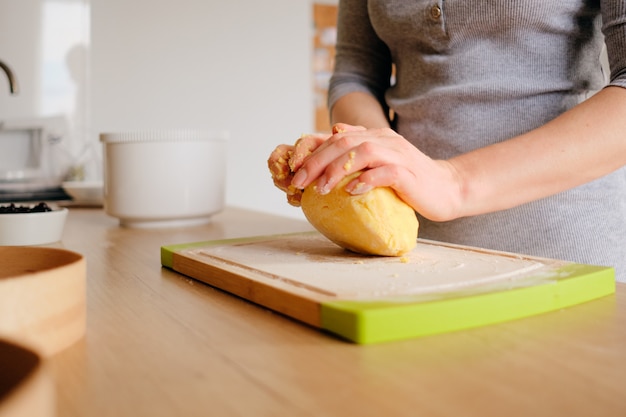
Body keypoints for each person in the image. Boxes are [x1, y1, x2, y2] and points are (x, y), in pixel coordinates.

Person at [268, 1, 626, 283]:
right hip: (412, 261)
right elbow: (354, 75)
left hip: (563, 254)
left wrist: (454, 181)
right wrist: (367, 157)